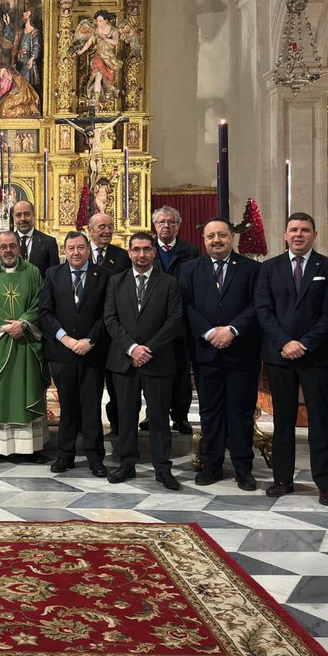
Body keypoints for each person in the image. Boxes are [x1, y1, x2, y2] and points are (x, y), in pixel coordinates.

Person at [256, 213, 328, 505]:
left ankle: (326, 483)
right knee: (283, 420)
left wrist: (304, 343)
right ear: (284, 234)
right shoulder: (269, 268)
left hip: (316, 356)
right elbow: (264, 311)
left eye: (305, 230)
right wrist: (285, 342)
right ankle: (282, 479)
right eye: (293, 229)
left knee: (320, 420)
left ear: (314, 234)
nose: (299, 234)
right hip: (280, 356)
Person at [179, 218, 262, 490]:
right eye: (211, 235)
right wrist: (208, 332)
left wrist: (233, 330)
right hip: (206, 353)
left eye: (222, 235)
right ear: (203, 239)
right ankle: (211, 465)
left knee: (241, 412)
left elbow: (257, 305)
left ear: (232, 238)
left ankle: (243, 468)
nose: (216, 240)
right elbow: (186, 306)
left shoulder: (252, 269)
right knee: (210, 412)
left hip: (242, 352)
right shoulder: (190, 269)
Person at [104, 231, 184, 488]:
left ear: (153, 252)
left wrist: (147, 349)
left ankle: (163, 468)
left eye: (146, 249)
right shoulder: (116, 282)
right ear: (129, 252)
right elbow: (110, 319)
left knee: (159, 417)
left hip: (157, 360)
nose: (141, 255)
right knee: (126, 416)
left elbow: (173, 321)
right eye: (136, 249)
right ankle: (127, 464)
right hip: (124, 360)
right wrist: (131, 348)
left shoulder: (169, 283)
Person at [0, 230, 50, 462]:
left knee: (26, 389)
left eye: (12, 246)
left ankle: (28, 448)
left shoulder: (33, 272)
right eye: (3, 246)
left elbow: (41, 301)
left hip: (25, 341)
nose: (8, 250)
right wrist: (9, 327)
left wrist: (24, 323)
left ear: (20, 247)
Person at [40, 231, 109, 476]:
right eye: (71, 248)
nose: (76, 253)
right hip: (62, 352)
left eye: (80, 247)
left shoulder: (103, 276)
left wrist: (90, 340)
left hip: (92, 351)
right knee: (67, 405)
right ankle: (65, 456)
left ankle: (95, 458)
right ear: (64, 251)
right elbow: (45, 313)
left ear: (88, 249)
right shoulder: (52, 275)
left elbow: (106, 314)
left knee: (91, 405)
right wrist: (66, 339)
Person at [151, 206, 198, 436]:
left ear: (178, 225)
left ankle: (180, 417)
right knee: (152, 373)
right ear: (155, 226)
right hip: (152, 323)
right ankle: (153, 415)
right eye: (161, 222)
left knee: (180, 372)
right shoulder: (147, 249)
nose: (166, 226)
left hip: (180, 322)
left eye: (171, 222)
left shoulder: (190, 251)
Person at [88, 212, 129, 434]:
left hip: (114, 327)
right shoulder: (81, 254)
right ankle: (88, 425)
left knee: (115, 382)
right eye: (102, 227)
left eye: (110, 226)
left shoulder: (122, 256)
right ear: (90, 230)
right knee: (90, 383)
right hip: (88, 326)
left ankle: (117, 423)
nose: (107, 231)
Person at [12, 200, 59, 276]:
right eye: (18, 215)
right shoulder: (7, 242)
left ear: (34, 216)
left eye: (27, 214)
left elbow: (54, 275)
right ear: (13, 217)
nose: (23, 219)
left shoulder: (49, 242)